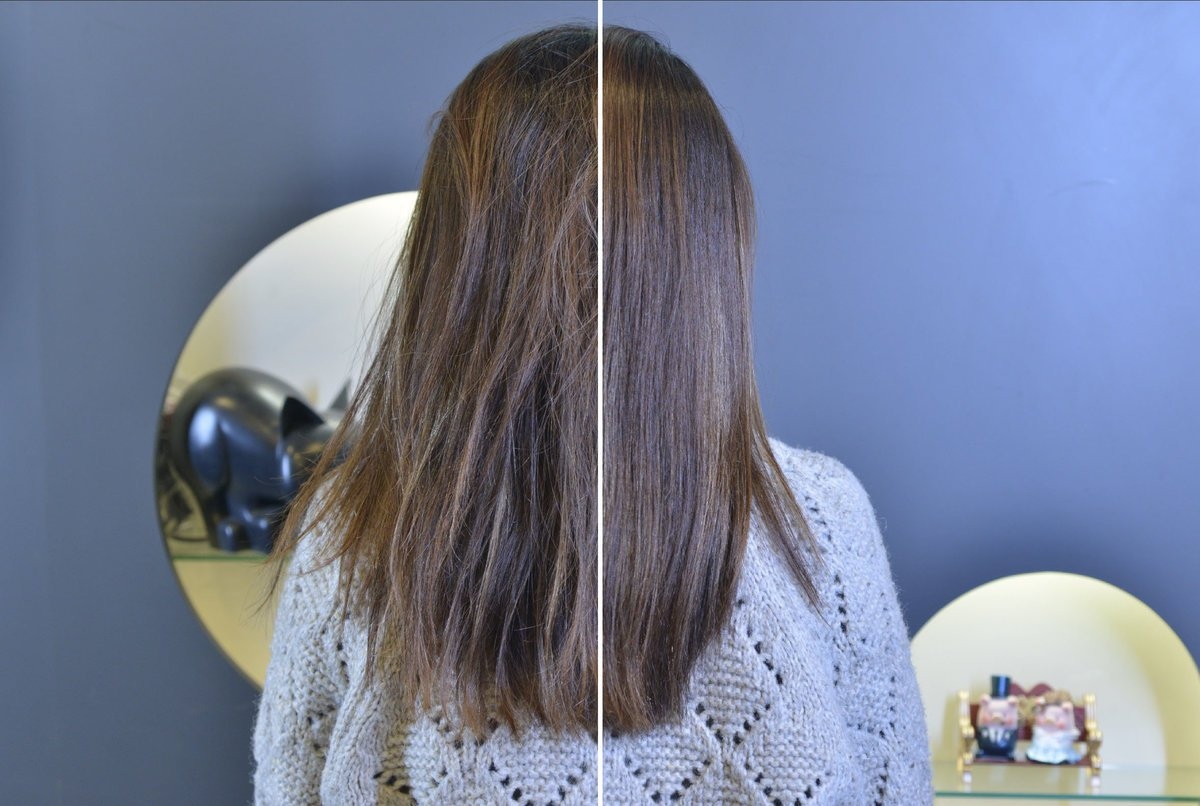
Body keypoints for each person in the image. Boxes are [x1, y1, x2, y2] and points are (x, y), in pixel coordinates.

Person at [253, 21, 933, 805]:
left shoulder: (350, 530)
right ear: (707, 251)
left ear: (453, 256)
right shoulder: (819, 520)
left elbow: (293, 788)